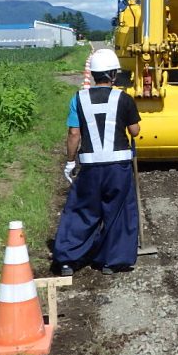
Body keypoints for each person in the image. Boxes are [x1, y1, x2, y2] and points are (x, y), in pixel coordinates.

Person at [52, 49, 142, 276]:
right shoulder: (124, 99)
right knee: (118, 211)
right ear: (113, 74)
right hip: (118, 166)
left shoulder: (78, 99)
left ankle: (67, 260)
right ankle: (112, 261)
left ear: (92, 74)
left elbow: (74, 134)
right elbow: (135, 130)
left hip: (90, 166)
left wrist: (70, 162)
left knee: (81, 210)